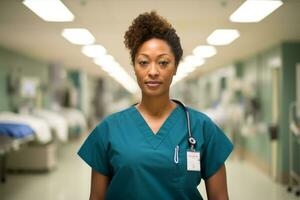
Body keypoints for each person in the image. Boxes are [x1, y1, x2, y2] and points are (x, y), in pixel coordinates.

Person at [78, 11, 233, 200]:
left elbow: (220, 197)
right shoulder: (108, 130)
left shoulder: (201, 128)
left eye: (163, 62)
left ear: (175, 67)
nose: (153, 71)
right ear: (134, 67)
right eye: (143, 62)